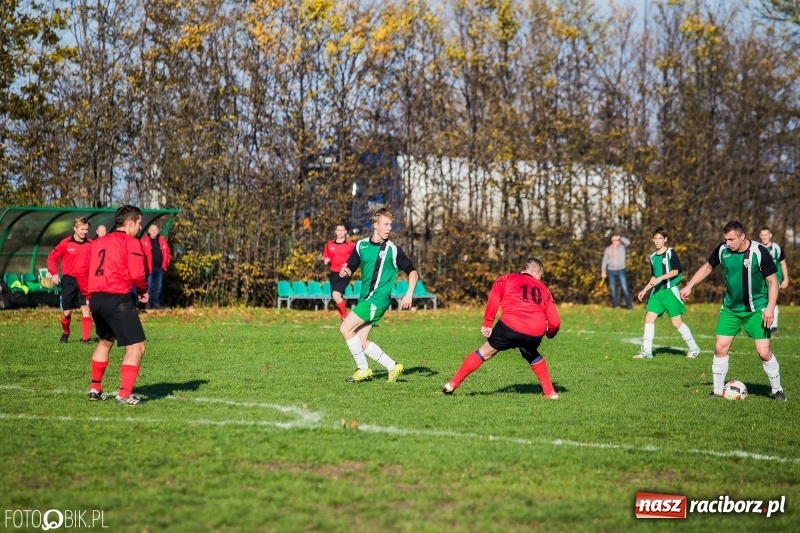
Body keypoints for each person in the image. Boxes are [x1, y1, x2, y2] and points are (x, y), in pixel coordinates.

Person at [679, 221, 786, 401]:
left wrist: (769, 308)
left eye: (731, 239)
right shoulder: (722, 250)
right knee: (720, 347)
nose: (728, 243)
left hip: (756, 309)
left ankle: (777, 390)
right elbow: (707, 267)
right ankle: (717, 390)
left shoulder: (760, 252)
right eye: (725, 239)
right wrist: (689, 285)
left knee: (764, 351)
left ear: (742, 236)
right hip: (730, 309)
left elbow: (773, 282)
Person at [442, 258, 561, 399]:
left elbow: (494, 300)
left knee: (485, 352)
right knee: (532, 354)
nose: (540, 279)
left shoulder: (506, 279)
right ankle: (550, 393)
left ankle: (452, 384)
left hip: (510, 325)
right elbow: (555, 321)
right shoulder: (545, 290)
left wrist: (487, 323)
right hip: (535, 331)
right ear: (536, 272)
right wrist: (550, 333)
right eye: (541, 275)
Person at [338, 207, 417, 383]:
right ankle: (393, 366)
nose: (389, 228)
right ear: (375, 224)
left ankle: (363, 369)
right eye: (386, 224)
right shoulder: (361, 245)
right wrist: (346, 271)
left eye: (391, 225)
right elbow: (352, 265)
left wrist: (409, 293)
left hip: (378, 300)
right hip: (366, 298)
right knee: (360, 340)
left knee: (345, 328)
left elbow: (412, 271)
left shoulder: (392, 249)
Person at [86, 205, 149, 405]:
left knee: (104, 341)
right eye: (139, 224)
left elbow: (90, 269)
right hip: (117, 298)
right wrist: (142, 290)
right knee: (137, 347)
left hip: (96, 298)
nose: (140, 228)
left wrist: (89, 297)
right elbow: (137, 274)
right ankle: (124, 393)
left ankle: (95, 388)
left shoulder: (98, 242)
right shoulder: (131, 242)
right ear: (130, 223)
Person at [633, 227, 700, 359]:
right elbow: (654, 277)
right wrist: (645, 290)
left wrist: (661, 278)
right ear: (653, 240)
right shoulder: (652, 257)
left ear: (665, 239)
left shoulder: (670, 252)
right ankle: (646, 352)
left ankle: (693, 347)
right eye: (655, 238)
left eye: (660, 238)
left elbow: (676, 271)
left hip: (671, 292)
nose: (657, 241)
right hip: (657, 293)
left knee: (676, 323)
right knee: (649, 317)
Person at [47, 217, 94, 344]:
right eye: (82, 229)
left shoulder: (91, 244)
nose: (85, 232)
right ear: (75, 228)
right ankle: (66, 332)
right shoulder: (65, 243)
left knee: (86, 308)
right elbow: (51, 258)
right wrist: (54, 273)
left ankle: (86, 339)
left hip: (85, 280)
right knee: (67, 313)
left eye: (86, 229)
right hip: (69, 280)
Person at [758, 226, 789, 336]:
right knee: (763, 302)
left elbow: (783, 263)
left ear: (770, 235)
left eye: (766, 235)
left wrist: (786, 279)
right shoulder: (758, 248)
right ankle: (765, 325)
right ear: (760, 236)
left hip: (775, 279)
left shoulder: (777, 248)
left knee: (773, 301)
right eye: (762, 235)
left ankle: (773, 326)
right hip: (762, 280)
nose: (764, 237)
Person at [323, 223, 356, 319]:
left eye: (342, 230)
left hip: (345, 273)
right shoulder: (330, 245)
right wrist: (326, 259)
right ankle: (344, 317)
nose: (340, 232)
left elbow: (355, 258)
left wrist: (349, 266)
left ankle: (345, 318)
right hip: (333, 273)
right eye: (338, 230)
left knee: (335, 294)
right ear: (335, 231)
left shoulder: (350, 245)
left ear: (345, 232)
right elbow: (326, 255)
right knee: (337, 297)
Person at [140, 223, 171, 309]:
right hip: (149, 268)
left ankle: (156, 303)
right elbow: (141, 254)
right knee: (148, 287)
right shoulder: (144, 240)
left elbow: (167, 253)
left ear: (158, 231)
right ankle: (148, 304)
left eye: (155, 230)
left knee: (158, 286)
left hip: (160, 267)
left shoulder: (162, 240)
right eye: (152, 230)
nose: (154, 232)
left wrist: (166, 263)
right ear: (149, 231)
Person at [601, 233, 632, 309]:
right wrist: (603, 271)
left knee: (624, 288)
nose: (615, 241)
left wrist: (620, 237)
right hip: (611, 271)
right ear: (611, 240)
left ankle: (629, 306)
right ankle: (615, 305)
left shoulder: (622, 247)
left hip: (621, 270)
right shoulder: (608, 249)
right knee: (613, 289)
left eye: (617, 240)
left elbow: (628, 242)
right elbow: (604, 260)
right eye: (614, 240)